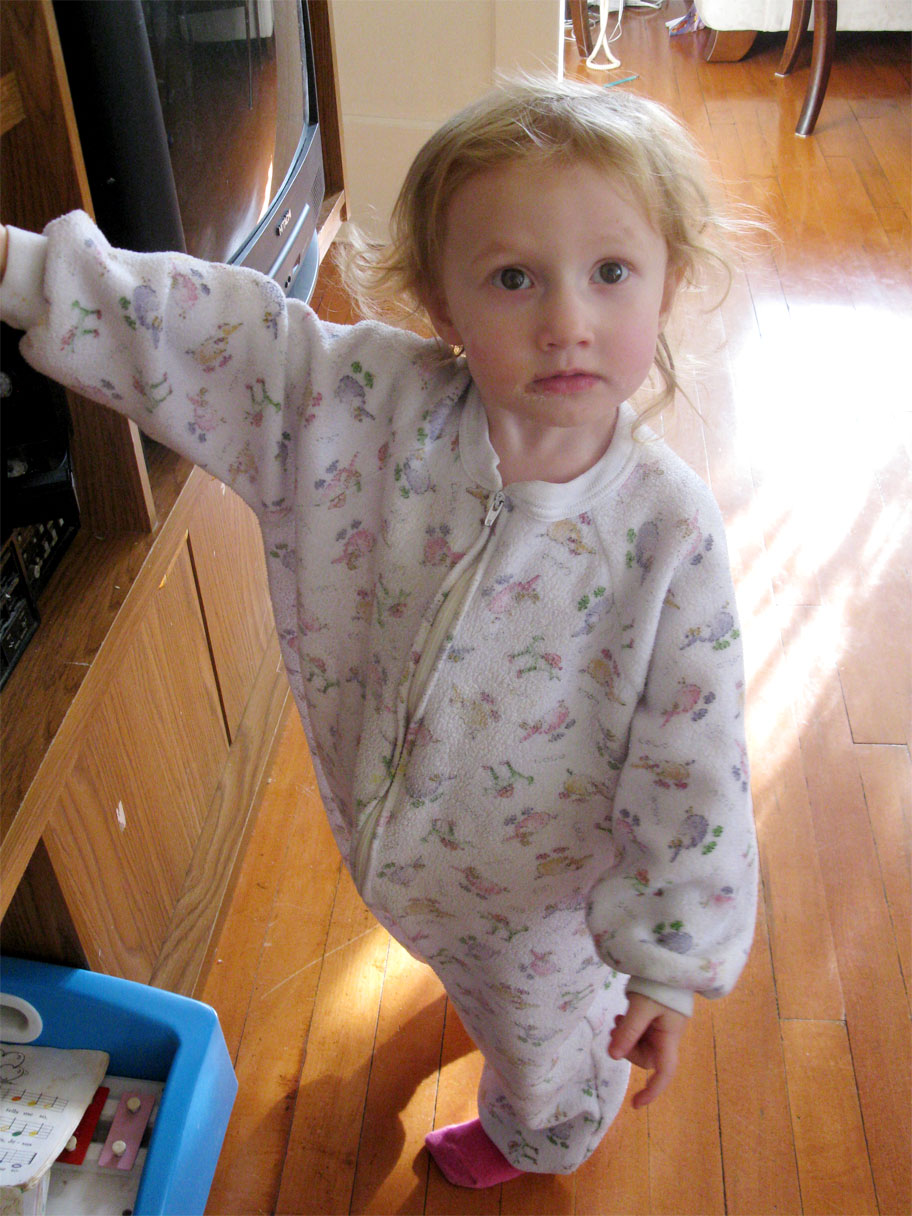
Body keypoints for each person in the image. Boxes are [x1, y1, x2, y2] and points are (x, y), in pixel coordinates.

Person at [0, 78, 757, 1189]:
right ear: (444, 308)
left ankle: (541, 1133)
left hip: (544, 907)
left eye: (611, 272)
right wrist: (26, 270)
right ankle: (468, 989)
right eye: (513, 278)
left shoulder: (668, 535)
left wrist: (668, 964)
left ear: (669, 281)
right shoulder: (366, 410)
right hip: (399, 838)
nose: (567, 322)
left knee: (544, 1041)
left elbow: (698, 766)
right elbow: (230, 342)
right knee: (462, 967)